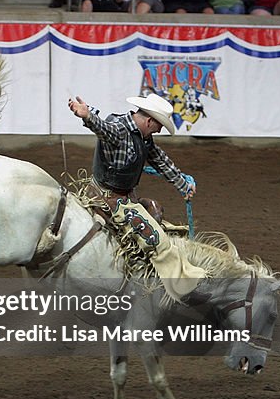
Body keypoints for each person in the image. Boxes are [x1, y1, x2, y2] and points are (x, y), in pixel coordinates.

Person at [67, 93, 205, 302]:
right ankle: (183, 286)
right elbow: (104, 129)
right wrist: (87, 117)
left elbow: (161, 160)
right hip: (109, 198)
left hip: (120, 196)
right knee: (156, 239)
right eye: (159, 126)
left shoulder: (144, 137)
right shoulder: (120, 130)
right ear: (149, 121)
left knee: (155, 213)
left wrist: (182, 184)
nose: (159, 130)